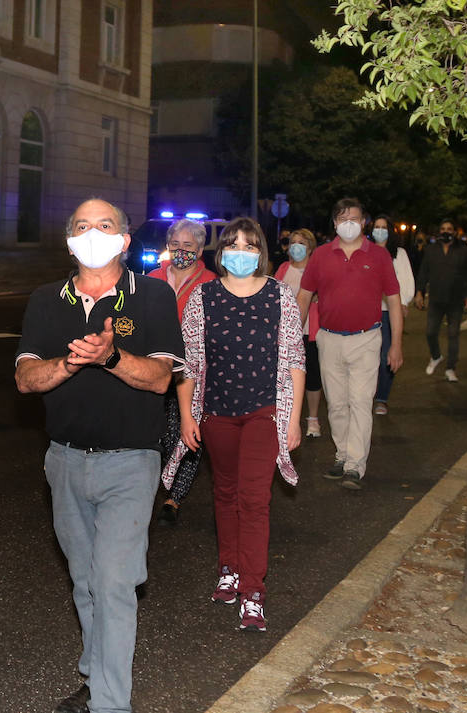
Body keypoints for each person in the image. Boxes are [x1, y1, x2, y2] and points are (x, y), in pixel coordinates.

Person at [15, 198, 184, 713]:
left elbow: (159, 379)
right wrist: (71, 362)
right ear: (70, 240)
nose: (94, 233)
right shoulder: (47, 300)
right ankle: (96, 673)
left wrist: (109, 355)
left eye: (105, 225)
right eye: (83, 226)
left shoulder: (152, 296)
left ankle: (111, 704)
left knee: (114, 582)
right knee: (86, 580)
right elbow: (26, 378)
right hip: (64, 462)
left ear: (125, 240)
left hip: (130, 463)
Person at [164, 216, 304, 632]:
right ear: (220, 252)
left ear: (261, 252)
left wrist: (292, 420)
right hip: (217, 412)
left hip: (265, 412)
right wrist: (188, 415)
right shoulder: (203, 298)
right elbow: (186, 363)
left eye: (249, 246)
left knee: (254, 498)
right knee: (224, 493)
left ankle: (253, 590)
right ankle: (229, 567)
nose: (240, 253)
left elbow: (296, 361)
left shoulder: (280, 296)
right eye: (233, 245)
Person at [297, 198, 402, 490]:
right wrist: (294, 334)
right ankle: (342, 455)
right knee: (337, 405)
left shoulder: (379, 256)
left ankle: (355, 465)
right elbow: (304, 295)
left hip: (367, 339)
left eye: (354, 218)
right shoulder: (320, 255)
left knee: (360, 402)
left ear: (363, 222)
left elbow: (394, 301)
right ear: (334, 223)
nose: (349, 224)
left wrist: (396, 346)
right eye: (343, 219)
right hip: (328, 338)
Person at [147, 218, 217, 524]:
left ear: (200, 249)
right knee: (158, 431)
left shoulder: (212, 283)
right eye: (175, 244)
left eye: (188, 245)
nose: (180, 250)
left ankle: (174, 498)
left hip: (194, 369)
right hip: (154, 365)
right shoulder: (151, 278)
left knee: (187, 431)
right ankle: (154, 481)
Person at [274, 228, 323, 438]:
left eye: (301, 243)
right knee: (286, 376)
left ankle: (312, 419)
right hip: (286, 333)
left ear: (310, 247)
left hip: (309, 332)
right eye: (293, 242)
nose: (296, 246)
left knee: (312, 376)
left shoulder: (317, 270)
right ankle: (286, 417)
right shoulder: (283, 268)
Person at [413, 218, 467, 382]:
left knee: (453, 335)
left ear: (454, 232)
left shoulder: (463, 250)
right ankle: (436, 356)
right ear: (439, 231)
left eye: (449, 229)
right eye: (443, 229)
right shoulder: (431, 250)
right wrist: (419, 292)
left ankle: (451, 368)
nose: (445, 231)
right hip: (436, 299)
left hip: (456, 300)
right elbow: (423, 272)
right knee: (430, 332)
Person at [369, 214, 415, 415]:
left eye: (383, 227)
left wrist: (403, 302)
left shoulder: (399, 254)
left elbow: (406, 279)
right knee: (367, 355)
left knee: (387, 353)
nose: (379, 230)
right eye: (376, 227)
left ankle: (381, 398)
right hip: (367, 311)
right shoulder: (366, 252)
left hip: (388, 312)